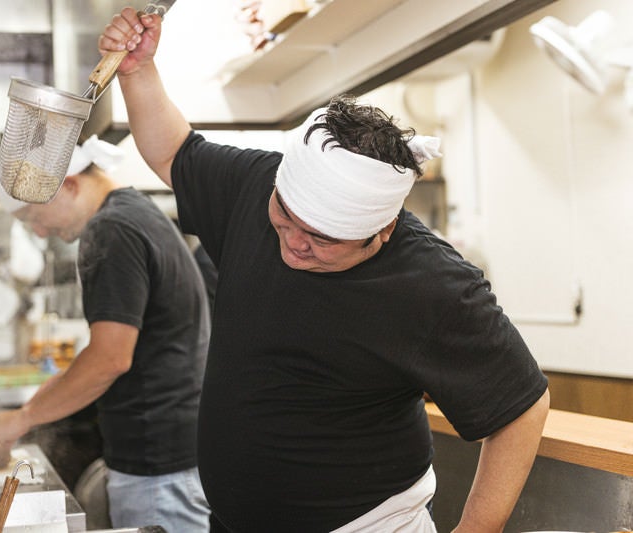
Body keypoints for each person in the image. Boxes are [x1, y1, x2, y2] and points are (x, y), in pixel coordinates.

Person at [96, 8, 551, 533]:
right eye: (285, 219)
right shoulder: (260, 184)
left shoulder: (435, 284)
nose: (293, 243)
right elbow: (175, 151)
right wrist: (137, 70)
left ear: (379, 235)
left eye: (322, 239)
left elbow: (523, 407)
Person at [0, 134, 212, 532]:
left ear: (68, 184)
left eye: (33, 216)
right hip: (171, 457)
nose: (39, 233)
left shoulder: (111, 229)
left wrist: (24, 417)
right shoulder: (135, 212)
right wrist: (26, 413)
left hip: (158, 469)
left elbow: (109, 359)